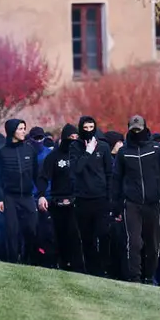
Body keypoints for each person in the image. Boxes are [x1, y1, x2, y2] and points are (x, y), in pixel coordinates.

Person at [112, 116, 160, 283]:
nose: (136, 132)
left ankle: (149, 276)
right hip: (132, 203)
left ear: (144, 128)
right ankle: (134, 277)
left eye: (138, 129)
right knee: (134, 242)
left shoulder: (157, 149)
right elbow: (116, 180)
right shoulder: (124, 152)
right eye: (133, 130)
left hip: (153, 202)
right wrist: (117, 206)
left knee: (153, 244)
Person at [0, 119, 43, 264]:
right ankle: (13, 262)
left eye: (24, 128)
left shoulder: (30, 150)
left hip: (27, 196)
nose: (23, 132)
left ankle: (29, 261)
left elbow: (36, 175)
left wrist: (41, 194)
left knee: (32, 228)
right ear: (12, 131)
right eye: (20, 129)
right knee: (12, 231)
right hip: (9, 197)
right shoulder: (1, 153)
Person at [71, 116, 115, 277]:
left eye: (91, 127)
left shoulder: (103, 147)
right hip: (82, 199)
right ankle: (92, 269)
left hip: (101, 198)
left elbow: (110, 173)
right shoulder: (75, 147)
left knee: (103, 233)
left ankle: (104, 267)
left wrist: (110, 197)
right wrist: (88, 151)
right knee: (86, 237)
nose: (89, 130)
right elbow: (77, 169)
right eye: (86, 127)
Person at [40, 124, 83, 272]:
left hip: (77, 201)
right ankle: (60, 263)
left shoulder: (81, 155)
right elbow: (43, 177)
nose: (74, 141)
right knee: (58, 235)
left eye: (77, 138)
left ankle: (77, 266)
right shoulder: (53, 157)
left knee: (75, 235)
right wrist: (41, 196)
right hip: (57, 201)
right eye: (71, 138)